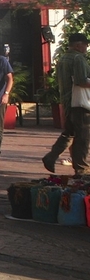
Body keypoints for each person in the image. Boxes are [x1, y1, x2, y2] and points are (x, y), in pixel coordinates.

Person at [44, 32, 90, 174]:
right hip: (80, 103)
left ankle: (51, 157)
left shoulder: (63, 58)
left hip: (67, 100)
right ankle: (81, 168)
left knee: (70, 132)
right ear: (78, 45)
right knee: (83, 136)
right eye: (85, 45)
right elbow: (81, 80)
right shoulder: (78, 58)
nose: (86, 48)